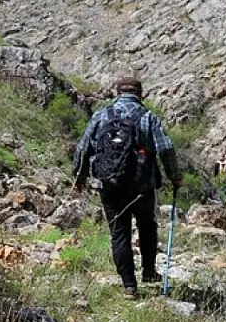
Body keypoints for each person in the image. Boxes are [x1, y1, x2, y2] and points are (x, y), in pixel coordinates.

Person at [73, 76, 180, 299]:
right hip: (142, 185)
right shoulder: (148, 117)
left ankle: (129, 286)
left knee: (119, 233)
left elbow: (83, 147)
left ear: (117, 93)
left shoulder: (101, 115)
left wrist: (80, 178)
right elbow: (166, 148)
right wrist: (175, 177)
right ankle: (149, 272)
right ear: (141, 94)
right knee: (147, 226)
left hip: (109, 184)